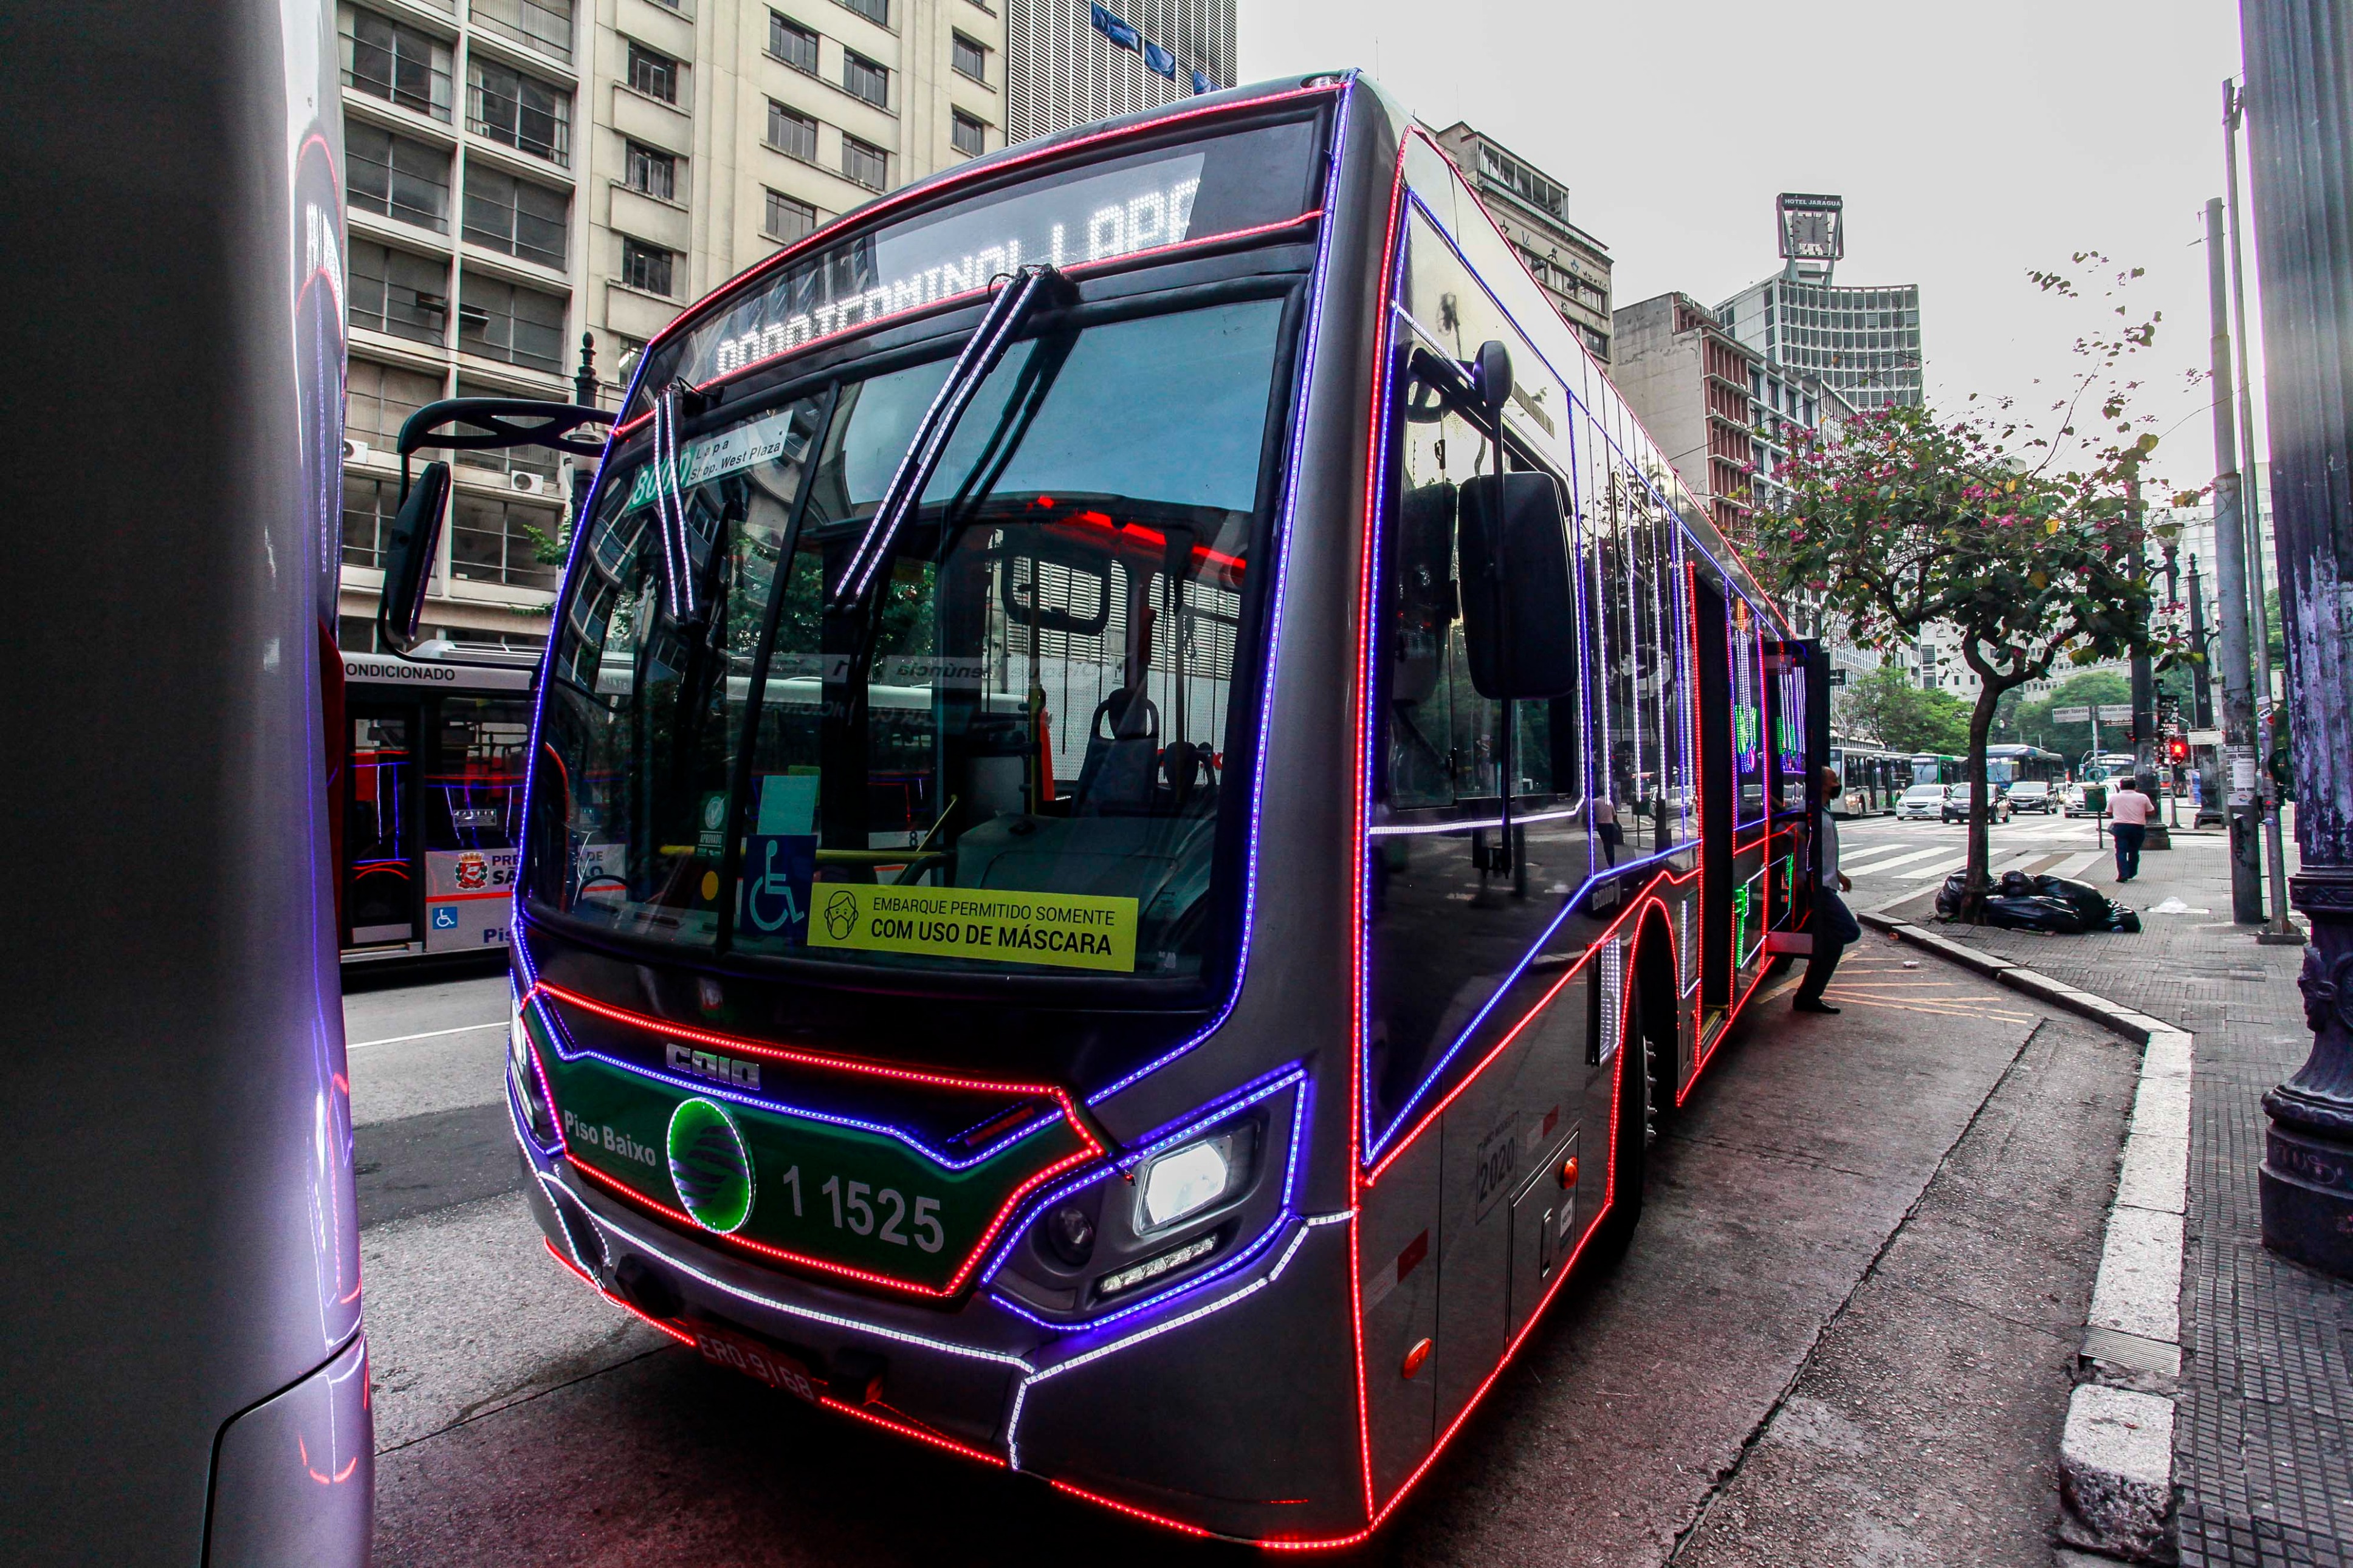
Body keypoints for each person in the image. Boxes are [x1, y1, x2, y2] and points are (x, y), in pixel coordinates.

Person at [1795, 765, 1860, 1016]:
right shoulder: (1808, 815)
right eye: (1834, 780)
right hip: (1816, 886)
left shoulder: (1823, 812)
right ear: (1823, 785)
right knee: (1847, 930)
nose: (1837, 784)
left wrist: (1838, 873)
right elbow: (1785, 836)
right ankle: (1808, 992)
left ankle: (1809, 995)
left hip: (1826, 883)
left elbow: (1823, 851)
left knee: (1833, 937)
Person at [2107, 776, 2155, 882]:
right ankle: (2132, 872)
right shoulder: (2142, 797)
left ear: (2121, 787)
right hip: (2138, 827)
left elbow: (2108, 812)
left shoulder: (2114, 797)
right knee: (2134, 851)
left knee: (2121, 851)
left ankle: (2122, 875)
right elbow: (2151, 811)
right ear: (2135, 787)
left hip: (2120, 827)